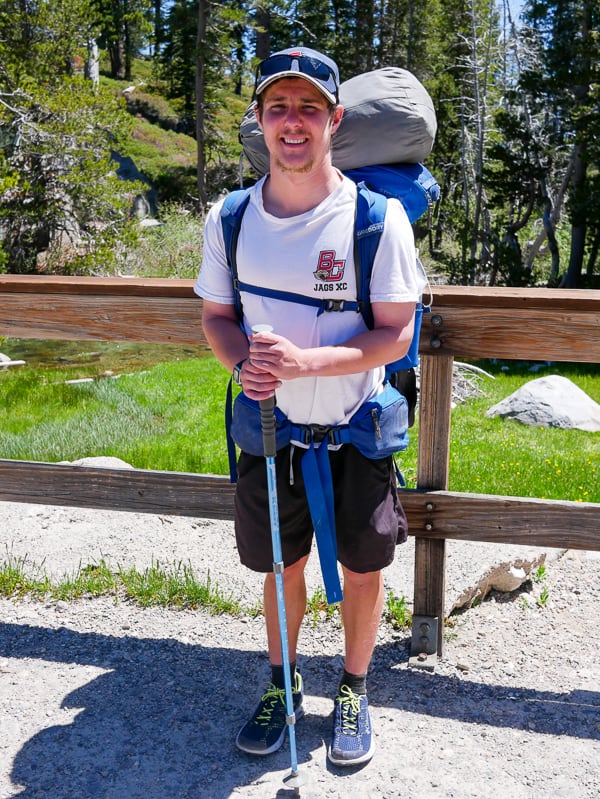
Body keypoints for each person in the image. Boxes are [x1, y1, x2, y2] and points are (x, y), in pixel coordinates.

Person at [195, 46, 424, 767]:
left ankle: (353, 687)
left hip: (355, 427)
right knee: (281, 565)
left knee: (363, 566)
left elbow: (397, 332)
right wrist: (246, 364)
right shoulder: (230, 219)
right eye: (277, 108)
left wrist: (306, 363)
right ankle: (282, 683)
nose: (292, 123)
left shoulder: (376, 221)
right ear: (260, 120)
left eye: (307, 109)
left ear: (334, 119)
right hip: (272, 427)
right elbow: (216, 317)